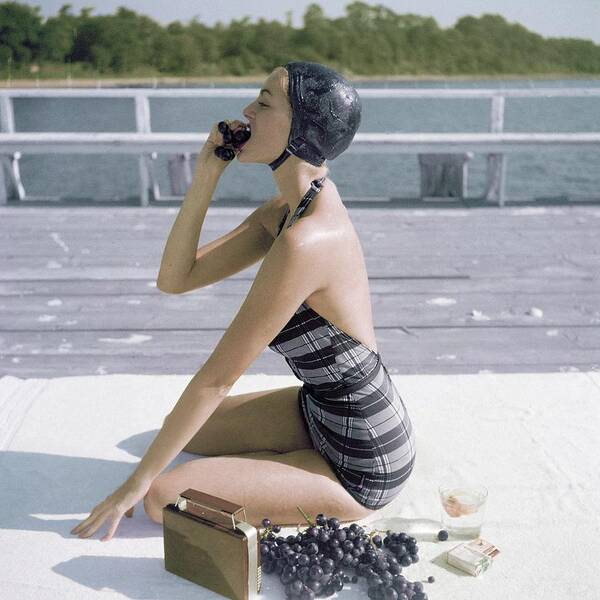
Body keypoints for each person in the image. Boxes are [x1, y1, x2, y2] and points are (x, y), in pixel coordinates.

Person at [70, 62, 416, 541]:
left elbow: (217, 380)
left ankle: (323, 486)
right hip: (318, 407)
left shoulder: (308, 240)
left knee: (159, 496)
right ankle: (288, 466)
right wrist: (207, 174)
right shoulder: (288, 210)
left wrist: (135, 482)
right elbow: (175, 279)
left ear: (301, 130)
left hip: (364, 457)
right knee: (188, 432)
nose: (246, 110)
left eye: (265, 102)